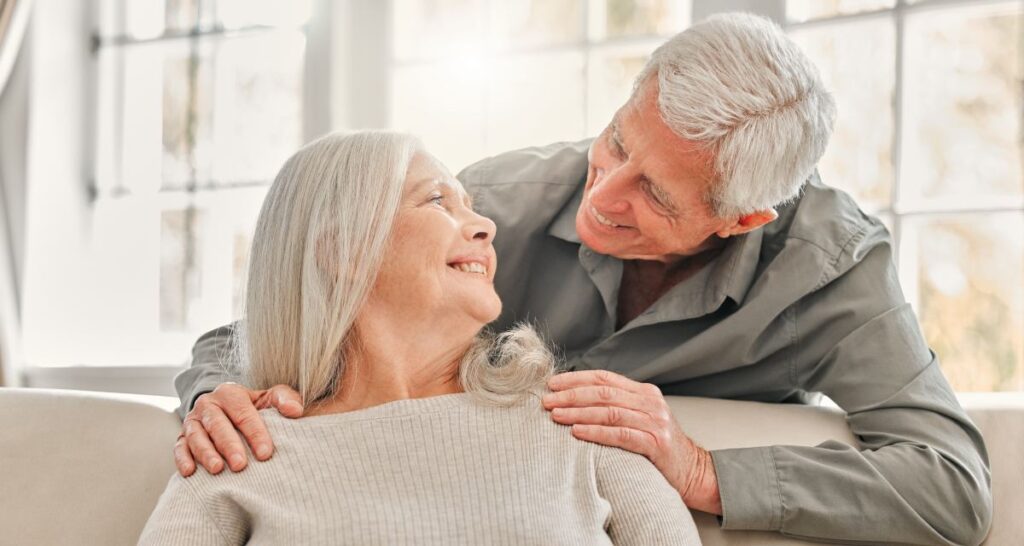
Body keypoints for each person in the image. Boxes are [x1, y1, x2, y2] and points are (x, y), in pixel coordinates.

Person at [172, 13, 992, 546]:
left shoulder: (833, 271)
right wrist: (216, 393)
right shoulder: (500, 204)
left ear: (741, 221)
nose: (602, 196)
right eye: (617, 142)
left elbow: (951, 487)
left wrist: (700, 468)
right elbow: (295, 304)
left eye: (655, 195)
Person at [141, 131, 702, 545]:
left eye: (472, 207)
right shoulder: (242, 452)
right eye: (437, 201)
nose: (487, 227)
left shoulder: (579, 421)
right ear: (342, 251)